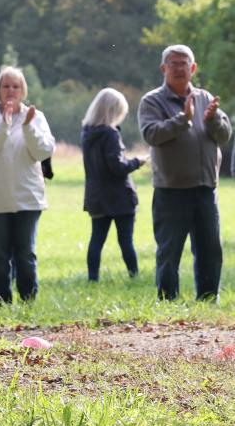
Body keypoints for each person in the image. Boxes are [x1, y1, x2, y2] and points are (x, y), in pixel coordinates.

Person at [138, 45, 231, 301]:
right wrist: (183, 119)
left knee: (210, 250)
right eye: (173, 63)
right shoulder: (152, 101)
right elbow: (151, 134)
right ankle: (168, 301)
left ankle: (209, 299)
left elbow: (224, 135)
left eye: (184, 63)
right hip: (171, 190)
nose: (179, 68)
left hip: (205, 189)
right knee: (169, 252)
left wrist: (212, 120)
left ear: (193, 68)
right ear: (163, 68)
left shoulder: (205, 98)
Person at [0, 67, 55, 305]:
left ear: (23, 90)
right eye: (6, 86)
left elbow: (43, 151)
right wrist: (3, 126)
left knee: (26, 254)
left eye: (15, 86)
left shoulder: (36, 117)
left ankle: (28, 300)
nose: (10, 91)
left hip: (28, 198)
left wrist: (27, 127)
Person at [81, 87, 146, 282]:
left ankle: (93, 278)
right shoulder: (110, 134)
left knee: (97, 239)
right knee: (126, 240)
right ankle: (134, 276)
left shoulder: (87, 134)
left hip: (96, 196)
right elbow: (117, 166)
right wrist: (137, 162)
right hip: (119, 197)